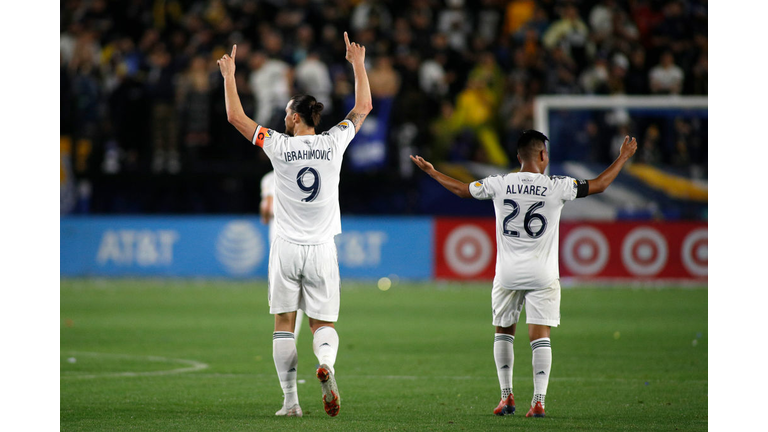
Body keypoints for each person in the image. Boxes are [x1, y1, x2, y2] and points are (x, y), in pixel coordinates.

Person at [410, 130, 637, 418]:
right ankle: (538, 401)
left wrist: (432, 172)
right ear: (543, 155)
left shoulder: (500, 183)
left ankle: (506, 396)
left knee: (504, 331)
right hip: (543, 274)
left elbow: (462, 189)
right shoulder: (558, 185)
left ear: (518, 157)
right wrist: (622, 157)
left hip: (507, 273)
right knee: (540, 336)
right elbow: (600, 185)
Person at [217, 32, 372, 418]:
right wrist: (357, 64)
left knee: (284, 324)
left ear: (295, 117)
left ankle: (290, 402)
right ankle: (326, 365)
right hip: (322, 248)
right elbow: (364, 106)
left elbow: (235, 118)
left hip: (286, 246)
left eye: (287, 113)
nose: (284, 118)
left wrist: (229, 76)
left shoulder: (279, 145)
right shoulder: (335, 141)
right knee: (323, 323)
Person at [260, 170, 304, 339]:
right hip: (302, 236)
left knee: (284, 296)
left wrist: (266, 216)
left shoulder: (269, 178)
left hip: (278, 240)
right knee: (303, 292)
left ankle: (287, 340)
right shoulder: (301, 172)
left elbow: (267, 209)